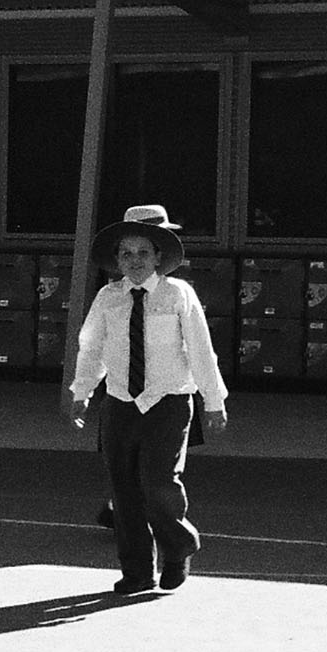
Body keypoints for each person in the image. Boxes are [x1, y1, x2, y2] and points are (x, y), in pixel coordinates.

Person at [69, 204, 229, 595]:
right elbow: (90, 348)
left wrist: (214, 400)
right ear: (116, 259)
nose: (135, 261)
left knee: (159, 485)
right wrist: (82, 391)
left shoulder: (179, 295)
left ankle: (177, 548)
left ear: (159, 256)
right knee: (124, 493)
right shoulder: (108, 298)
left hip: (169, 402)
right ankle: (137, 571)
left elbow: (200, 349)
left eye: (144, 253)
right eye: (126, 254)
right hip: (121, 404)